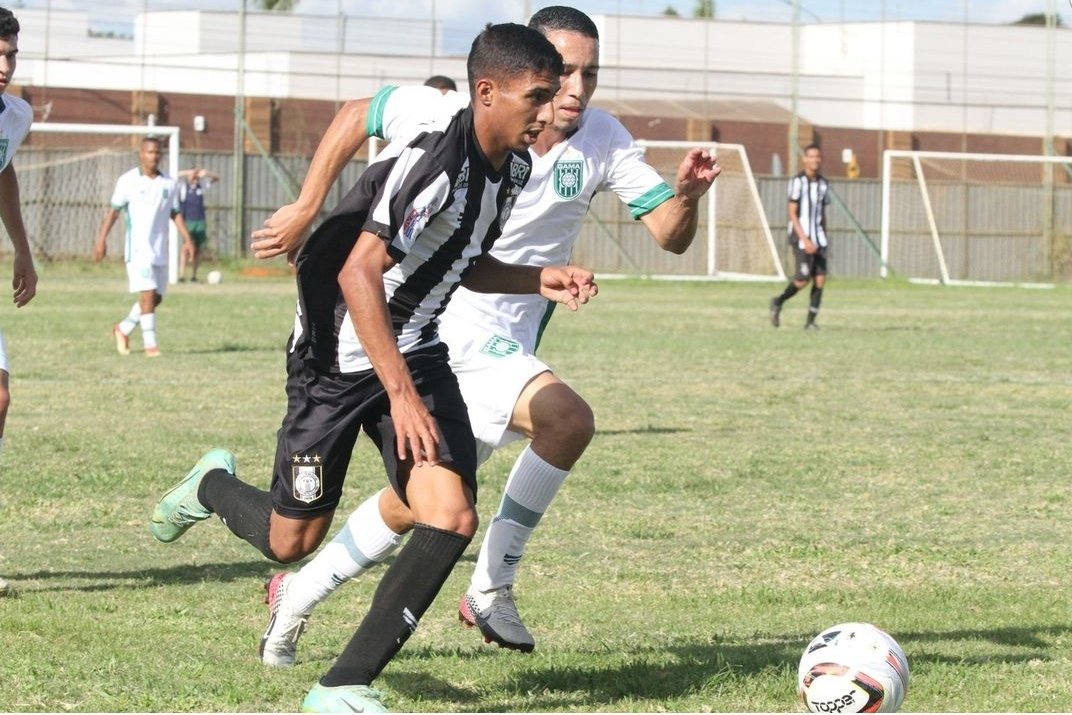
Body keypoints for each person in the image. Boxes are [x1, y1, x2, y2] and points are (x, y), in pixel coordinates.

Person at [249, 5, 719, 666]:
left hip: (501, 329)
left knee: (423, 505)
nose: (574, 89)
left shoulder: (602, 140)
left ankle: (296, 595)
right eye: (561, 75)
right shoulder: (453, 119)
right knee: (567, 420)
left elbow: (670, 234)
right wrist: (305, 206)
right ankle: (490, 585)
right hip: (443, 328)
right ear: (520, 72)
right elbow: (358, 112)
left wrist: (688, 196)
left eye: (589, 73)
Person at [149, 23, 592, 713]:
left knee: (448, 514)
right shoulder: (441, 162)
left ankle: (341, 684)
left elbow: (458, 255)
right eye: (537, 97)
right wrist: (306, 205)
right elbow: (361, 273)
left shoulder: (515, 166)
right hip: (335, 356)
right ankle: (209, 483)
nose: (549, 111)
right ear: (486, 92)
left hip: (412, 345)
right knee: (289, 538)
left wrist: (539, 278)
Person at [0, 5, 39, 597]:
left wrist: (23, 250)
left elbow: (2, 171)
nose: (5, 65)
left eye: (11, 55)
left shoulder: (16, 115)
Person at [94, 136, 195, 357]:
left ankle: (123, 328)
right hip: (138, 250)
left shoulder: (169, 183)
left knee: (155, 298)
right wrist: (102, 239)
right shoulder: (128, 181)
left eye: (158, 152)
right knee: (148, 294)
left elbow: (175, 213)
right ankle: (151, 346)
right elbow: (113, 212)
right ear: (141, 154)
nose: (154, 156)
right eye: (149, 152)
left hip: (160, 248)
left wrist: (187, 239)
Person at [770, 143, 830, 330]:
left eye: (818, 157)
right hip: (801, 238)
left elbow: (822, 214)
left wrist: (823, 238)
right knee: (803, 279)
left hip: (819, 239)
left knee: (820, 279)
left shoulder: (823, 184)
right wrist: (804, 239)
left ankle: (810, 323)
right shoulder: (797, 182)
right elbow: (792, 213)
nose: (815, 160)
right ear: (805, 159)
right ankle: (778, 301)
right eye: (812, 157)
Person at [176, 166, 218, 282]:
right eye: (192, 174)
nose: (194, 176)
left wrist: (206, 173)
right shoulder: (184, 187)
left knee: (197, 249)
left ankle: (194, 275)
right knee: (186, 247)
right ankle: (182, 275)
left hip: (200, 221)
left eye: (195, 174)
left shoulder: (202, 186)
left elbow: (216, 178)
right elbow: (174, 175)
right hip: (188, 221)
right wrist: (187, 172)